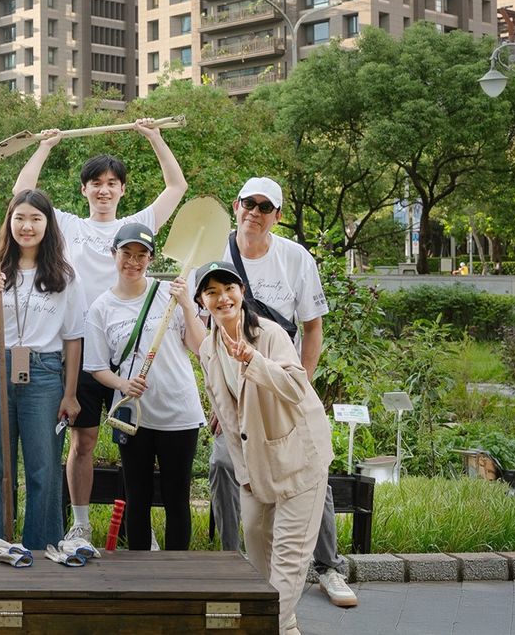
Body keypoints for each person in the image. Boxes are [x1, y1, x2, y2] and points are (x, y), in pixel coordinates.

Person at [13, 119, 187, 546]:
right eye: (96, 183)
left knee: (139, 443)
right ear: (85, 190)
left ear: (122, 190)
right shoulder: (69, 226)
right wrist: (46, 145)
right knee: (84, 442)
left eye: (112, 183)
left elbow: (176, 187)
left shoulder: (136, 225)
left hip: (128, 356)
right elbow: (23, 196)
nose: (104, 190)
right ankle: (82, 524)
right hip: (81, 353)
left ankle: (139, 532)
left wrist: (155, 137)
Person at [206, 176, 357, 609]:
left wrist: (302, 387)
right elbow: (202, 336)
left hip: (281, 383)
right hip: (235, 390)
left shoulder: (295, 258)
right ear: (235, 206)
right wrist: (219, 401)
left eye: (264, 206)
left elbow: (312, 328)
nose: (254, 212)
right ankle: (230, 562)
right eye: (247, 203)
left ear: (277, 215)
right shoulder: (216, 254)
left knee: (310, 471)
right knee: (222, 463)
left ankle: (327, 567)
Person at [194, 260, 333, 635]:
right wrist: (245, 476)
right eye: (211, 292)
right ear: (201, 302)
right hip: (256, 466)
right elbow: (230, 417)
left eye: (228, 288)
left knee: (287, 561)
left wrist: (253, 360)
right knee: (256, 552)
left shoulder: (269, 334)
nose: (222, 298)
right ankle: (283, 626)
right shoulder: (209, 349)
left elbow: (295, 387)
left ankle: (262, 627)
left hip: (299, 460)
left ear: (242, 292)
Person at [0, 189, 86, 550]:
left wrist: (70, 393)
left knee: (43, 468)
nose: (27, 226)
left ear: (48, 224)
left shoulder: (64, 275)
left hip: (45, 373)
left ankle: (42, 546)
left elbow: (73, 338)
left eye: (36, 218)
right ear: (9, 221)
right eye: (19, 217)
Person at [82, 223, 206, 551]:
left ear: (150, 259)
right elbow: (96, 367)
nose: (133, 262)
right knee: (137, 497)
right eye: (127, 253)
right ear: (114, 254)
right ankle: (139, 578)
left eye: (142, 255)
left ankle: (176, 576)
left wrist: (187, 307)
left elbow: (199, 346)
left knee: (177, 497)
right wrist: (122, 383)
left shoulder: (169, 294)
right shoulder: (101, 308)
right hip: (133, 416)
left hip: (179, 411)